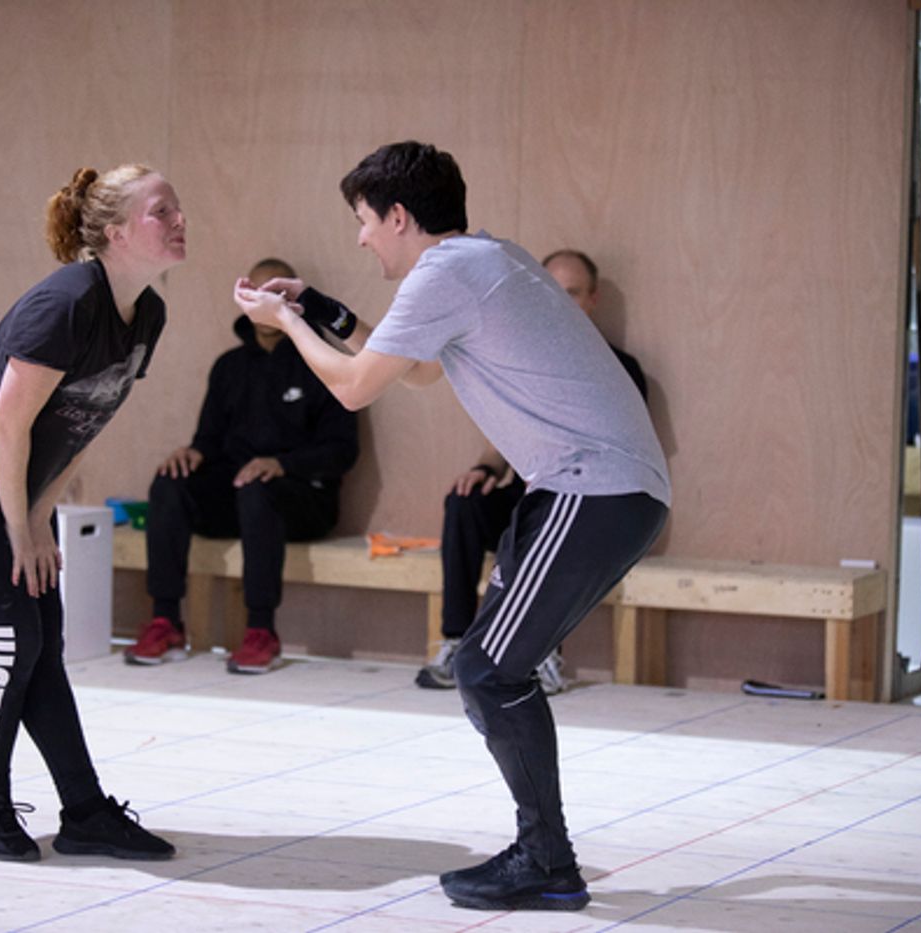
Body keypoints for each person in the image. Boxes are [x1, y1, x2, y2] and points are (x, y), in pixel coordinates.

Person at [233, 142, 669, 912]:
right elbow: (423, 368)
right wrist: (320, 309)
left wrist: (282, 323)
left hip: (593, 487)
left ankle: (547, 858)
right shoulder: (480, 258)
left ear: (399, 216)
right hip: (594, 488)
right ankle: (545, 853)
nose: (362, 237)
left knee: (487, 671)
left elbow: (355, 389)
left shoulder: (446, 272)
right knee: (487, 668)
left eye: (365, 222)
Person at [0, 164, 184, 864]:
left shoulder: (147, 313)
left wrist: (40, 511)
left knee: (42, 638)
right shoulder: (64, 305)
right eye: (163, 211)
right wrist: (19, 526)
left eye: (179, 209)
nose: (180, 220)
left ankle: (85, 811)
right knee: (10, 638)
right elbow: (7, 424)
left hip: (13, 484)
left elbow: (79, 424)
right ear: (117, 233)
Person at [417, 248, 649, 693]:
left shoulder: (620, 369)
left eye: (574, 293)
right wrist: (483, 468)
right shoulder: (523, 358)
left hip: (593, 503)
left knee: (551, 525)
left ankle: (536, 654)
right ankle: (456, 642)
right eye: (553, 292)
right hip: (531, 489)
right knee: (464, 502)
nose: (563, 302)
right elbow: (503, 438)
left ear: (593, 299)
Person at [125, 258, 358, 674]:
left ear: (291, 301)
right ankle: (165, 620)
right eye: (260, 293)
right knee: (170, 483)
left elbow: (343, 451)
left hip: (303, 499)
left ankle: (261, 631)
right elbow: (209, 442)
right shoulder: (229, 367)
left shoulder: (323, 362)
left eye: (278, 294)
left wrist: (282, 464)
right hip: (238, 497)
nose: (268, 302)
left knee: (258, 489)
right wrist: (192, 453)